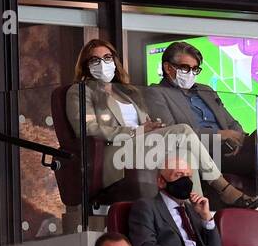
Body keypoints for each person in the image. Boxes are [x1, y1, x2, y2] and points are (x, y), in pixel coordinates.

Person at [64, 38, 244, 206]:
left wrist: (152, 127)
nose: (102, 63)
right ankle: (222, 187)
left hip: (143, 146)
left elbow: (143, 124)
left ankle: (195, 213)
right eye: (95, 60)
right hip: (114, 154)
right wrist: (135, 131)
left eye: (107, 57)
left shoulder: (127, 93)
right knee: (183, 130)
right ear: (86, 66)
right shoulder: (80, 91)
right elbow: (87, 129)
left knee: (184, 155)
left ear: (114, 61)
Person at [145, 41, 258, 210]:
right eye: (185, 68)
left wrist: (240, 139)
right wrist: (220, 135)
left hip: (230, 148)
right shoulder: (155, 93)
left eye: (195, 69)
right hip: (204, 154)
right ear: (168, 68)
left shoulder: (206, 90)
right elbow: (174, 132)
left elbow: (231, 122)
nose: (191, 73)